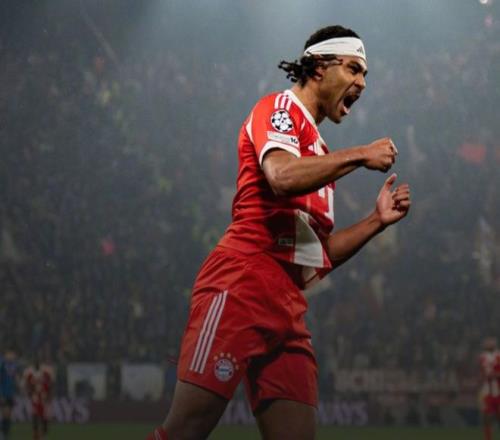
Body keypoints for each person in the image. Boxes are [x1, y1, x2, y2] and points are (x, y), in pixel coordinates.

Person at [147, 24, 411, 440]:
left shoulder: (320, 153)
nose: (362, 82)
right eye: (353, 68)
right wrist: (362, 154)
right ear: (319, 67)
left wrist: (375, 221)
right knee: (184, 431)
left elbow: (317, 256)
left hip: (287, 303)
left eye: (365, 74)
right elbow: (281, 176)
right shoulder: (279, 109)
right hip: (241, 283)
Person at [23, 360, 53, 440]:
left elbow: (49, 385)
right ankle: (36, 435)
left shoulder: (46, 374)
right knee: (35, 417)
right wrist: (30, 393)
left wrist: (48, 396)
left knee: (44, 418)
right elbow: (27, 386)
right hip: (35, 399)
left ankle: (44, 435)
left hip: (43, 399)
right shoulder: (30, 374)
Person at [479, 337, 500, 440]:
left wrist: (496, 374)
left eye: (491, 342)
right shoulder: (482, 357)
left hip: (498, 390)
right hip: (487, 391)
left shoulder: (498, 355)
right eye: (487, 342)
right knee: (486, 417)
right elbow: (483, 372)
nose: (488, 343)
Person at [0, 350, 19, 440]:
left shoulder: (14, 366)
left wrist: (17, 386)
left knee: (8, 415)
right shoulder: (2, 364)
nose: (12, 356)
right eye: (10, 354)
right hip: (4, 393)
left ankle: (6, 434)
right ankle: (3, 434)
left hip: (11, 394)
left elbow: (14, 379)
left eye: (13, 354)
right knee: (5, 413)